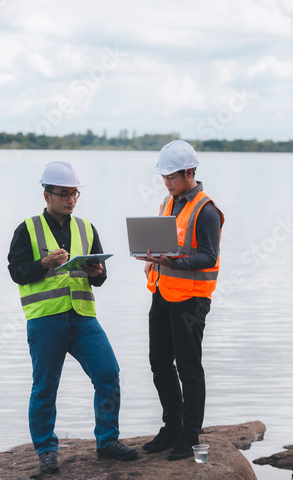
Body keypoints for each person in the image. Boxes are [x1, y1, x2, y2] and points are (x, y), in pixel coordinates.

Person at [8, 161, 138, 475]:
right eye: (63, 194)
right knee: (45, 387)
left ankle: (107, 443)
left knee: (108, 374)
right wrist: (44, 263)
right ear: (46, 195)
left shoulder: (86, 228)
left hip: (82, 319)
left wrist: (97, 272)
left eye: (74, 193)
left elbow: (101, 277)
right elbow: (17, 273)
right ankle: (46, 452)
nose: (70, 199)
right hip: (45, 320)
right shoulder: (27, 229)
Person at [137, 140, 224, 461]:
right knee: (159, 363)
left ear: (189, 172)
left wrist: (174, 263)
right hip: (161, 293)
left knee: (189, 368)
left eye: (171, 177)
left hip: (192, 300)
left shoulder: (207, 210)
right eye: (163, 177)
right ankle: (171, 427)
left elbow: (208, 256)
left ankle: (189, 436)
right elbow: (171, 245)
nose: (166, 182)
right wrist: (151, 257)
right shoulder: (167, 203)